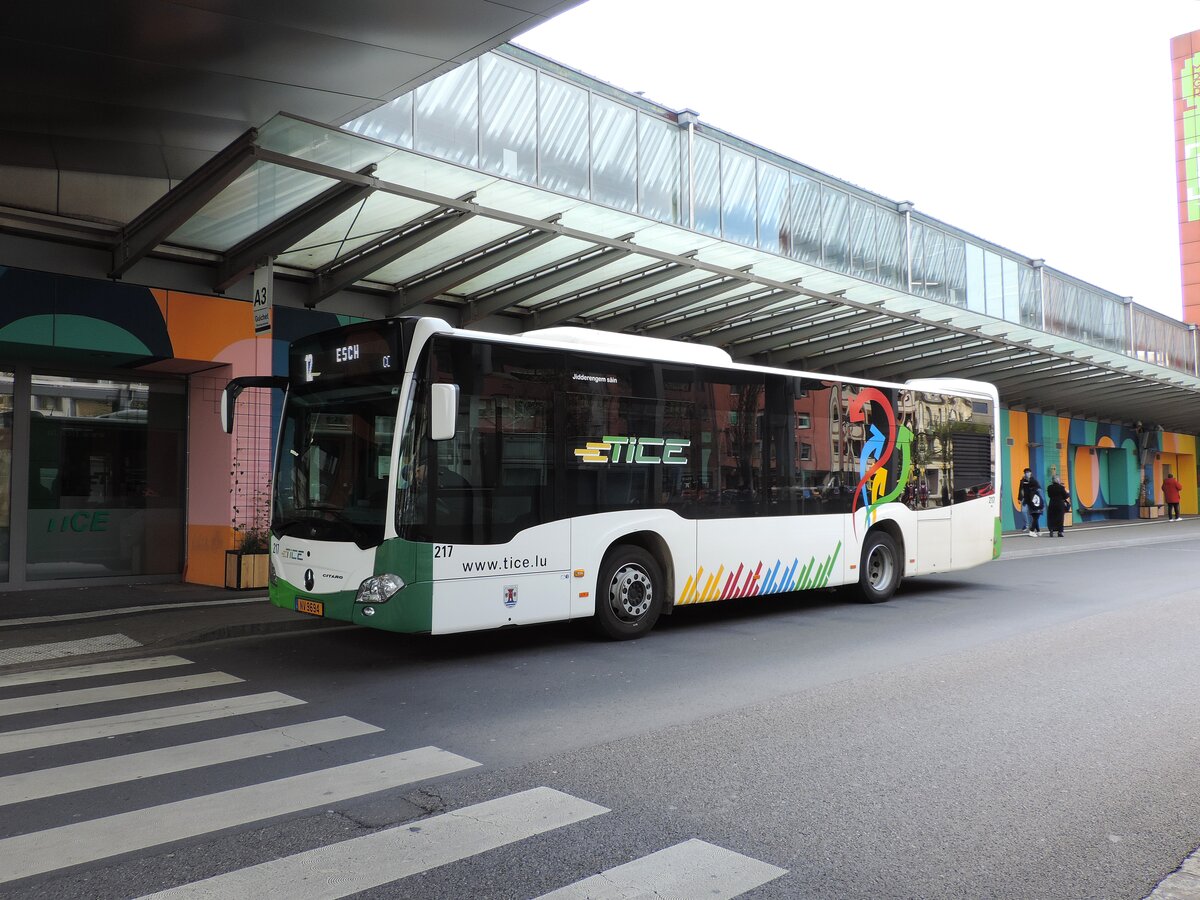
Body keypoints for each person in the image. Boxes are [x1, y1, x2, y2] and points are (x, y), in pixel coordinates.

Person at [1017, 468, 1043, 536]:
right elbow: (1021, 489)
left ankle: (1038, 530)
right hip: (1025, 499)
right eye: (1026, 472)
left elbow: (1039, 488)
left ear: (1031, 473)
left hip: (1032, 499)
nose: (1027, 473)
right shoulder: (1022, 480)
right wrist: (1019, 498)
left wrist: (1032, 490)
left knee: (1034, 515)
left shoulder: (1033, 480)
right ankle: (1027, 525)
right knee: (1023, 511)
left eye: (1028, 472)